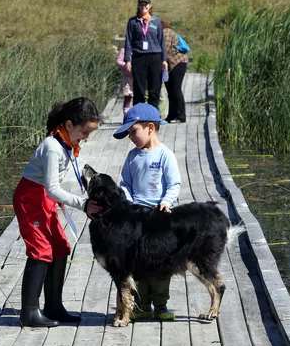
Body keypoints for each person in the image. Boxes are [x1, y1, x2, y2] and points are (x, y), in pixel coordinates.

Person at [13, 98, 101, 328]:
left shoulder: (68, 143)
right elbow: (52, 188)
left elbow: (56, 185)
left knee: (60, 247)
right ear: (69, 125)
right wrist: (83, 204)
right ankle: (29, 312)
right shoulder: (52, 147)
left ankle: (53, 306)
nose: (87, 137)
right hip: (30, 199)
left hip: (45, 199)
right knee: (41, 249)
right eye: (85, 131)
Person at [114, 103, 181, 321]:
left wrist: (166, 201)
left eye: (133, 132)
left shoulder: (165, 155)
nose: (131, 137)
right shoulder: (132, 157)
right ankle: (141, 305)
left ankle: (161, 304)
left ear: (150, 127)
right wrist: (128, 201)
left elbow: (174, 184)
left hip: (158, 217)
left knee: (161, 262)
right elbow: (125, 183)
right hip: (136, 217)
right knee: (137, 262)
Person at [124, 0, 168, 109]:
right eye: (141, 4)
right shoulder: (133, 22)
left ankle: (153, 115)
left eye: (146, 4)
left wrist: (164, 59)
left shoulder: (156, 21)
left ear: (150, 6)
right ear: (138, 6)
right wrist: (128, 60)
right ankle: (139, 115)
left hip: (155, 57)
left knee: (154, 89)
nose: (143, 6)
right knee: (139, 89)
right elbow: (128, 41)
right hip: (139, 57)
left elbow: (161, 41)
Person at [162, 21, 188, 123]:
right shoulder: (162, 33)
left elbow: (165, 49)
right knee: (170, 91)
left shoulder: (167, 32)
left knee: (176, 89)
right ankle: (172, 115)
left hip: (178, 62)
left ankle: (181, 116)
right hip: (170, 64)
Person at [116, 46, 133, 120]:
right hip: (127, 78)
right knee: (127, 97)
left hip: (138, 77)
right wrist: (126, 65)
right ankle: (126, 117)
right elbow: (118, 61)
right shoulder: (124, 50)